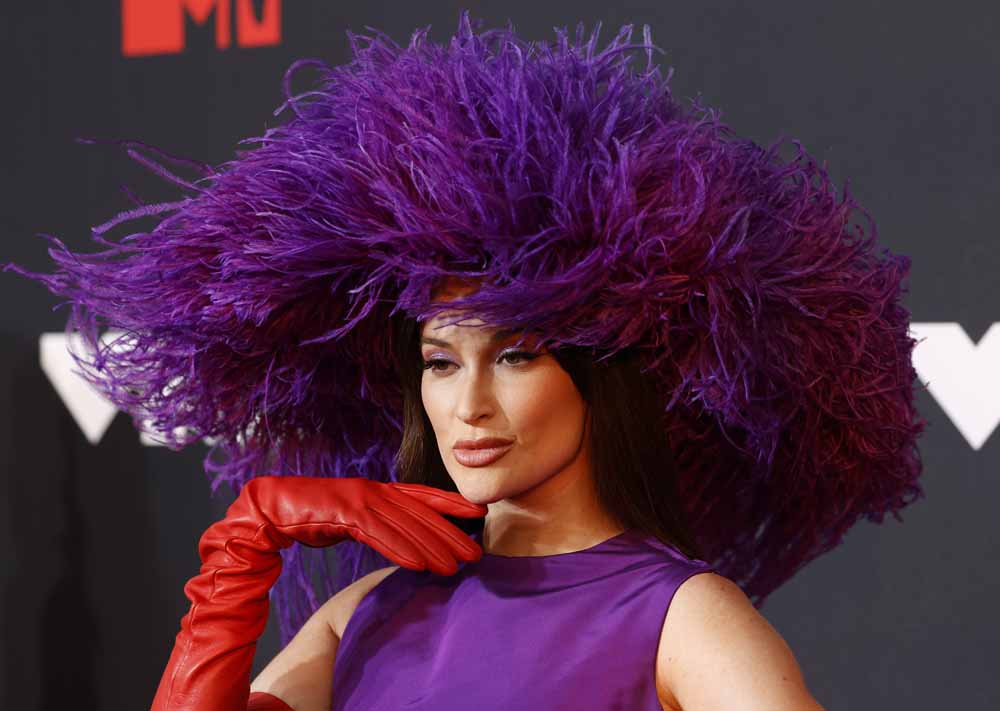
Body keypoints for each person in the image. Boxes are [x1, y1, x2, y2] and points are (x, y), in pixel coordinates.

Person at [3, 10, 926, 711]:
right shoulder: (367, 610)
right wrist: (246, 543)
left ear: (601, 374)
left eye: (515, 354)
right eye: (441, 362)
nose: (469, 403)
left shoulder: (683, 615)